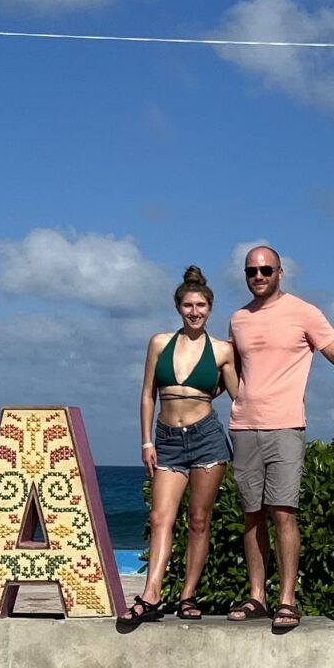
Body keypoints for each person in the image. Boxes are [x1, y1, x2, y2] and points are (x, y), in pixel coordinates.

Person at [226, 245, 334, 633]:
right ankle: (257, 597)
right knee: (251, 516)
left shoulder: (305, 313)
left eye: (265, 270)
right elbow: (232, 371)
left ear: (281, 272)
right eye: (251, 271)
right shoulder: (237, 319)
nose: (258, 277)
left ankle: (287, 600)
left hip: (286, 425)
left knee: (283, 512)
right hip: (243, 426)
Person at [123, 266, 237, 627]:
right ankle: (152, 593)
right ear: (178, 307)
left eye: (201, 305)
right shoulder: (159, 343)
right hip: (167, 440)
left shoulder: (222, 350)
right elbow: (147, 395)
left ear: (210, 307)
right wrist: (146, 441)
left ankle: (188, 596)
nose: (194, 311)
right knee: (160, 518)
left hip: (207, 438)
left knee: (199, 522)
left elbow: (241, 396)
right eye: (188, 305)